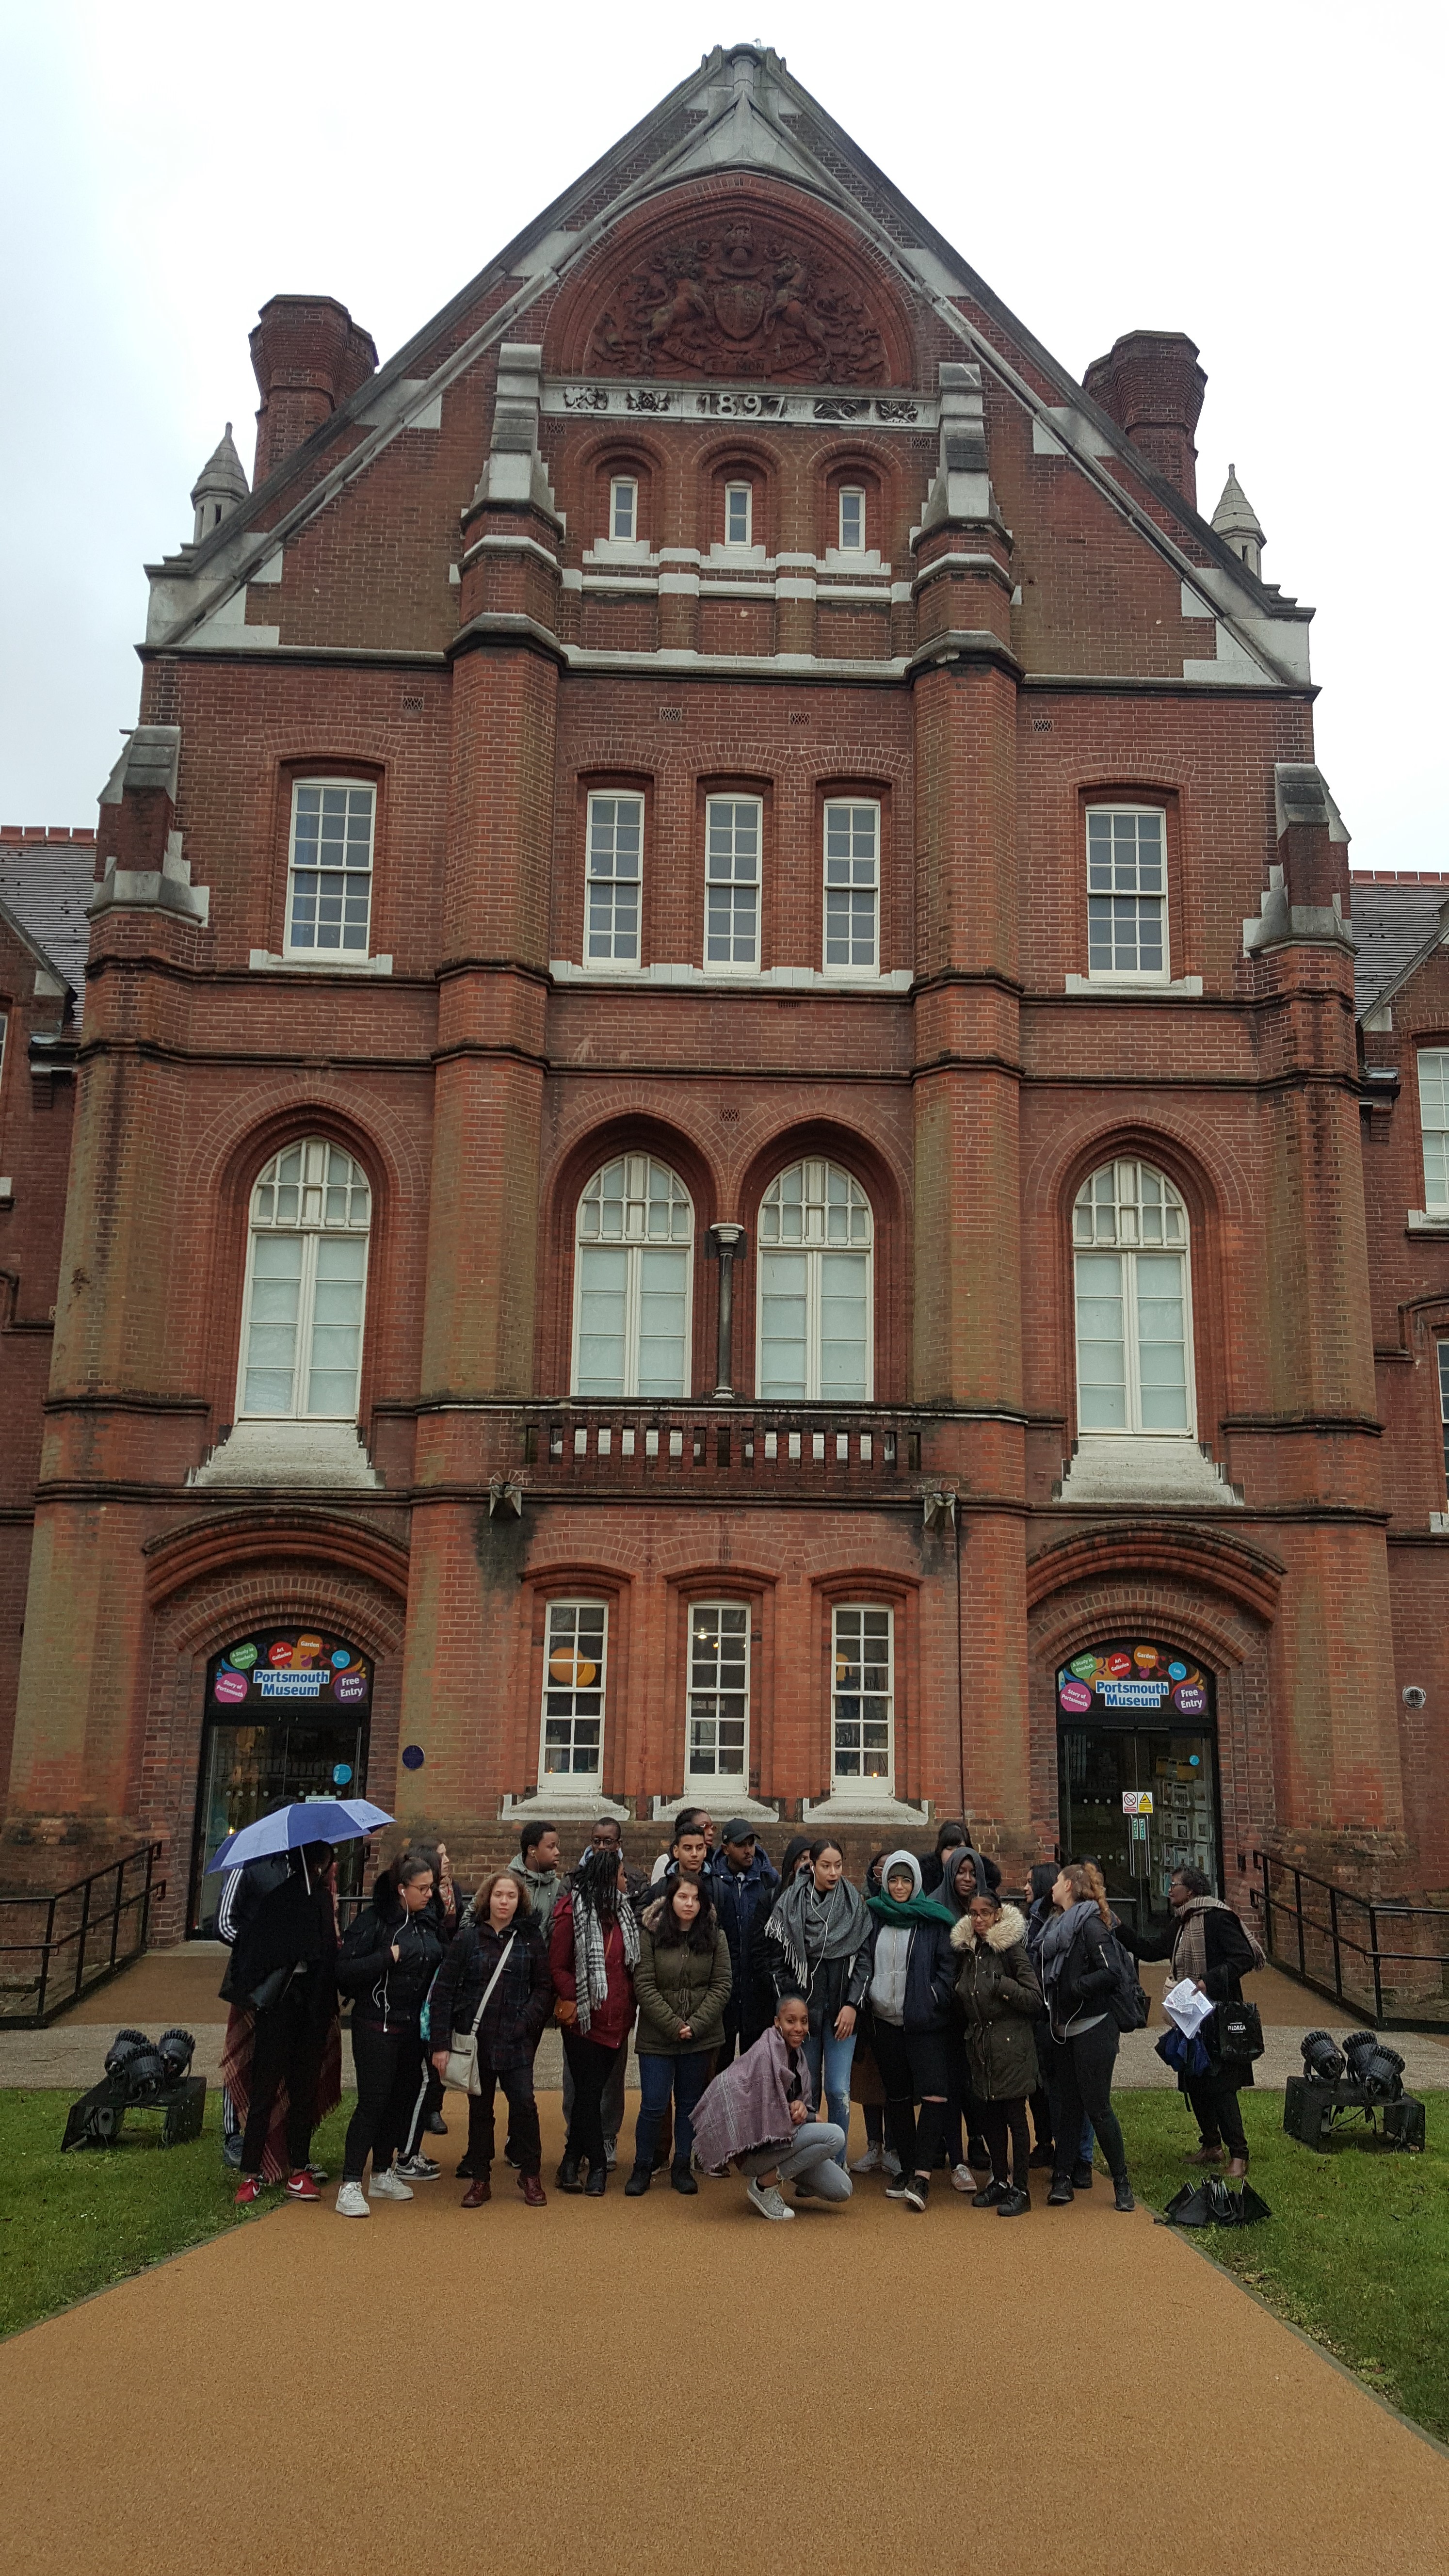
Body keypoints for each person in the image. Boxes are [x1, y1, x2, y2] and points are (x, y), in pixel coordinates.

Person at [1119, 1865, 1263, 2176]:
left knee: (1221, 2086)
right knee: (1194, 2079)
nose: (1169, 1890)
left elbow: (1243, 1958)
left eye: (1174, 1885)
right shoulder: (1182, 1921)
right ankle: (1211, 2145)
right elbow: (1152, 1950)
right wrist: (1118, 1927)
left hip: (1218, 2013)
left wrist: (1207, 1981)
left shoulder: (1218, 1917)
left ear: (1192, 1891)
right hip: (1191, 2014)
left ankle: (1239, 2155)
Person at [428, 1867, 553, 2207]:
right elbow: (444, 1991)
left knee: (525, 2105)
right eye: (499, 1895)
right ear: (488, 1898)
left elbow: (544, 1987)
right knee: (480, 2110)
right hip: (477, 2039)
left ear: (519, 1901)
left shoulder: (530, 1938)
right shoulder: (468, 1939)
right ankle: (480, 2178)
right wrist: (440, 2044)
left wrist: (526, 2020)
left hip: (516, 2039)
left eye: (511, 1896)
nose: (504, 1902)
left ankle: (530, 2173)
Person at [226, 1840, 339, 2205]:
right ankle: (251, 2172)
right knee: (265, 2088)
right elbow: (257, 1953)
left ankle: (299, 2168)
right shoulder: (278, 1900)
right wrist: (296, 1946)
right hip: (278, 2008)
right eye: (324, 1863)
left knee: (303, 2089)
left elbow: (327, 1956)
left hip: (311, 2009)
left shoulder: (321, 1900)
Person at [334, 1852, 444, 2217]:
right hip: (375, 2026)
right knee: (373, 2103)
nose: (429, 1894)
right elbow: (343, 1971)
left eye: (432, 1888)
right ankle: (351, 2183)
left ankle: (383, 2172)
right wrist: (388, 1957)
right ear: (401, 1889)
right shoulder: (374, 1921)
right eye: (422, 1888)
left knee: (401, 2101)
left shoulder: (427, 1922)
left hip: (413, 2028)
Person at [691, 1994, 854, 2222]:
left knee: (842, 2189)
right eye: (791, 2021)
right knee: (834, 2136)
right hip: (756, 2152)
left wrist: (802, 2109)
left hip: (785, 2143)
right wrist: (806, 2117)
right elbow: (764, 2108)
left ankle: (780, 2172)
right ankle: (764, 2186)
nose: (798, 2028)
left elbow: (791, 2107)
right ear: (777, 2022)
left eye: (804, 2021)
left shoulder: (798, 2056)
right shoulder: (764, 2054)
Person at [763, 1837, 870, 2164]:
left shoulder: (855, 1906)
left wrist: (853, 2005)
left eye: (838, 1865)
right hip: (804, 2019)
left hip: (841, 2016)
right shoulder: (789, 1902)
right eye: (826, 1866)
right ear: (813, 1866)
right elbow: (776, 1962)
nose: (833, 1872)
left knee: (838, 2090)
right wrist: (792, 2009)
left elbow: (865, 1962)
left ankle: (837, 2163)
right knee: (806, 2092)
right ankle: (810, 2163)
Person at [861, 1851, 957, 2211]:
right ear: (884, 1882)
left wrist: (932, 1997)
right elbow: (864, 1959)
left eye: (906, 1880)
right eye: (893, 1880)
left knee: (934, 2094)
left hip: (924, 2022)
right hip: (884, 2022)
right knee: (898, 2097)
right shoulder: (874, 1915)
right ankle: (906, 2167)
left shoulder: (934, 1919)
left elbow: (948, 1967)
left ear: (916, 1882)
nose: (899, 1887)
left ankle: (923, 2175)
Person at [627, 1872, 732, 2195]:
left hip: (700, 2037)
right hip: (657, 2038)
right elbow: (644, 1984)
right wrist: (674, 2025)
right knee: (653, 2105)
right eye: (683, 1897)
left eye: (696, 1899)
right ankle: (643, 2165)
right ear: (670, 1899)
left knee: (689, 2104)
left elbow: (722, 1985)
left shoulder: (716, 1937)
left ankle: (682, 2166)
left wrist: (696, 2025)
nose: (690, 1904)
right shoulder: (650, 1934)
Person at [1039, 1861, 1135, 2213]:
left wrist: (1077, 1988)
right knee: (1067, 2106)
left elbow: (1111, 1973)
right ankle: (1063, 2178)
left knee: (1097, 2107)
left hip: (1094, 2027)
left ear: (1070, 1886)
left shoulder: (1091, 1925)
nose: (1052, 1886)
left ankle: (1122, 2182)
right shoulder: (1058, 1924)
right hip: (1064, 2029)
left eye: (1058, 1881)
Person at [549, 1844, 639, 2194]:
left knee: (592, 2093)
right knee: (588, 2095)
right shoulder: (571, 1913)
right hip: (583, 2021)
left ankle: (570, 2160)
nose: (626, 1882)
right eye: (622, 1875)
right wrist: (581, 1996)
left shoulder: (625, 1915)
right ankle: (598, 2166)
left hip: (618, 2020)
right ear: (608, 1878)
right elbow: (557, 1966)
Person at [951, 1887, 1043, 2214]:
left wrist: (1001, 1984)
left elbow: (1034, 1998)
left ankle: (1022, 2188)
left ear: (997, 1915)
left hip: (1012, 2047)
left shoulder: (1010, 1948)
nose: (979, 1920)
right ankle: (1000, 2180)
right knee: (989, 2117)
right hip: (981, 2048)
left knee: (1015, 2117)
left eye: (985, 1914)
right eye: (973, 1914)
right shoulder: (968, 1951)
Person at [934, 1845, 994, 2192]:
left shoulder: (988, 1910)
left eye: (973, 1873)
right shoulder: (936, 1906)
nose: (967, 1879)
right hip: (947, 2012)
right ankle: (954, 2154)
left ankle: (979, 2141)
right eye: (961, 1871)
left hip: (980, 2015)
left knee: (979, 2086)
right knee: (952, 2085)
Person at [709, 1820, 779, 2068]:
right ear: (726, 1848)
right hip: (723, 1987)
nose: (748, 1850)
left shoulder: (769, 1880)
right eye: (741, 1845)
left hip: (757, 1988)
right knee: (720, 2067)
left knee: (757, 2068)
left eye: (751, 1843)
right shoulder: (714, 1882)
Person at [1022, 1862, 1060, 2170]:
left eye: (1030, 1882)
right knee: (1042, 2086)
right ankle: (1050, 2143)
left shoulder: (1045, 1918)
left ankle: (1049, 2143)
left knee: (1046, 2086)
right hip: (1042, 2013)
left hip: (1046, 2014)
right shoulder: (1031, 1916)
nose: (1025, 1888)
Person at [509, 1819, 565, 1934]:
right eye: (551, 1847)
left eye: (557, 1847)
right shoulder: (504, 1881)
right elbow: (473, 1917)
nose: (557, 1852)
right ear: (532, 1851)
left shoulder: (559, 1888)